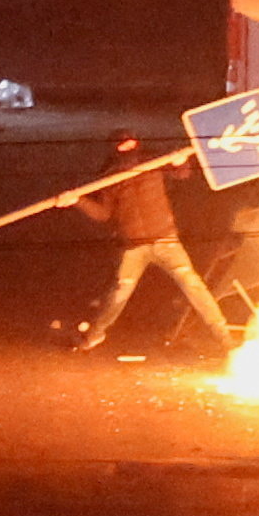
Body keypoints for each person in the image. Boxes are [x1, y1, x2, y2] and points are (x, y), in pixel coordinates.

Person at [72, 134, 233, 353]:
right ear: (114, 149)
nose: (129, 147)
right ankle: (94, 335)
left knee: (192, 284)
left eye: (132, 143)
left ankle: (223, 336)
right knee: (119, 292)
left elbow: (182, 173)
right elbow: (103, 213)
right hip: (134, 246)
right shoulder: (109, 177)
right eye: (123, 144)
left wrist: (180, 161)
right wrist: (77, 201)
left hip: (165, 240)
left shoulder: (152, 162)